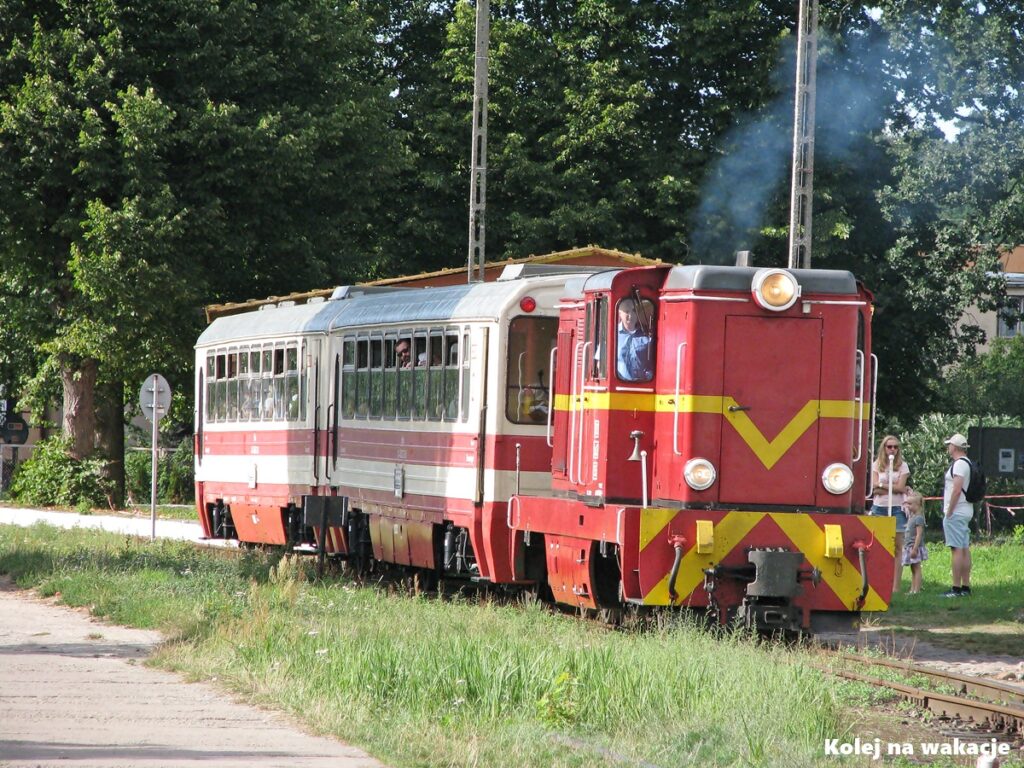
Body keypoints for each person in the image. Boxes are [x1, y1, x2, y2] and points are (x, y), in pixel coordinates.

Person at [869, 435, 910, 593]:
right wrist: (890, 485)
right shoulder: (877, 464)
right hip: (879, 507)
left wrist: (882, 485)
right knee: (877, 545)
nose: (892, 449)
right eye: (889, 446)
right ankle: (877, 583)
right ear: (884, 448)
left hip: (897, 509)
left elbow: (901, 487)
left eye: (895, 447)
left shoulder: (903, 466)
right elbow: (874, 487)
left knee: (897, 548)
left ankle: (895, 587)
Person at [942, 432, 974, 597]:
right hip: (966, 509)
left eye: (949, 445)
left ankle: (955, 588)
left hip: (957, 510)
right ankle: (965, 587)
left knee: (956, 549)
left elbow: (956, 489)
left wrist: (949, 511)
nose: (948, 447)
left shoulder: (959, 464)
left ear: (954, 447)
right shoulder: (968, 462)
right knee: (964, 548)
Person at [616, 298, 653, 381]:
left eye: (634, 311)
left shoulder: (647, 334)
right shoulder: (612, 334)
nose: (631, 315)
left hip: (641, 386)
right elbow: (601, 364)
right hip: (618, 386)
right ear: (619, 314)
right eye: (627, 311)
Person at [901, 490, 928, 595]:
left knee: (916, 568)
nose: (908, 506)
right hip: (909, 547)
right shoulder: (911, 517)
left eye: (910, 504)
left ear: (918, 505)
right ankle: (912, 589)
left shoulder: (919, 518)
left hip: (914, 547)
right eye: (907, 503)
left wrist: (915, 549)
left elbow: (919, 535)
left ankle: (916, 590)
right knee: (913, 569)